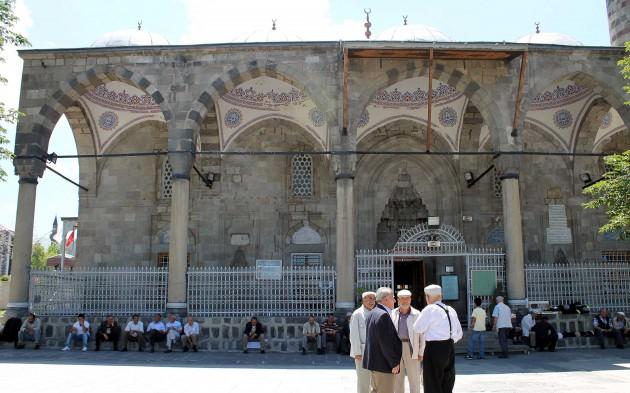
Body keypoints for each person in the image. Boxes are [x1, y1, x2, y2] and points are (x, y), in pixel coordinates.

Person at [413, 284, 463, 393]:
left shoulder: (429, 309)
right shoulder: (450, 309)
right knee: (447, 379)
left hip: (434, 348)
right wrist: (449, 341)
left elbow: (417, 328)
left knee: (432, 380)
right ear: (441, 296)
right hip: (449, 347)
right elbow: (459, 333)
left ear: (428, 296)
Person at [363, 287, 402, 393]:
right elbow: (386, 343)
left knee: (376, 390)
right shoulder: (383, 315)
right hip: (383, 365)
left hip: (376, 363)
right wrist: (394, 362)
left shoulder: (373, 312)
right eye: (392, 298)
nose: (395, 301)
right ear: (385, 299)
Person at [392, 289, 424, 393]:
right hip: (396, 348)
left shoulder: (417, 314)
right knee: (397, 378)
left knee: (414, 377)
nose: (405, 301)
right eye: (402, 298)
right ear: (397, 300)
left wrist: (421, 352)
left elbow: (422, 335)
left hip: (412, 347)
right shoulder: (392, 313)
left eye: (407, 298)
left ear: (410, 299)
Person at [350, 291, 376, 393]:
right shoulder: (357, 314)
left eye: (373, 298)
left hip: (376, 352)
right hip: (362, 352)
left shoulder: (376, 312)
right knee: (363, 381)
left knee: (375, 381)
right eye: (369, 298)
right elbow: (353, 335)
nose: (371, 301)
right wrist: (357, 352)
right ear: (363, 300)